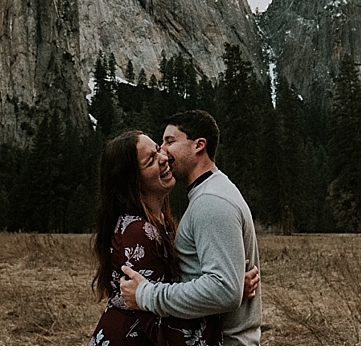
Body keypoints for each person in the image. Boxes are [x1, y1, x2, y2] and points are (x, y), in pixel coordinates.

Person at [88, 129, 259, 346]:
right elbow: (162, 327)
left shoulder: (161, 221)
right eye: (150, 160)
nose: (164, 158)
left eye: (158, 150)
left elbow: (173, 289)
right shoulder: (137, 233)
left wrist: (228, 287)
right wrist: (226, 295)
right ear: (132, 180)